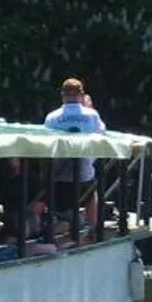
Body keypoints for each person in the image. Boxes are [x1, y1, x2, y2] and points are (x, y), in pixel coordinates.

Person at [43, 76, 103, 241]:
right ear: (81, 95)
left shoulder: (51, 117)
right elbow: (102, 136)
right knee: (92, 192)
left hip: (57, 176)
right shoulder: (92, 115)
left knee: (60, 204)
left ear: (63, 95)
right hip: (83, 176)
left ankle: (57, 229)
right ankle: (92, 230)